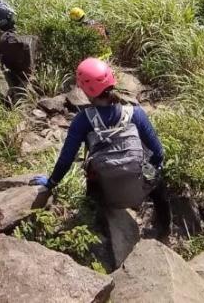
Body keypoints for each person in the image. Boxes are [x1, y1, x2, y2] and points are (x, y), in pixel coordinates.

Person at [31, 58, 169, 230]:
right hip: (138, 188)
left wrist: (50, 183)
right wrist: (148, 175)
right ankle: (164, 228)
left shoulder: (83, 120)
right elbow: (158, 153)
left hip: (104, 190)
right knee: (159, 181)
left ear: (85, 89)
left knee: (92, 175)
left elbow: (66, 159)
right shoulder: (136, 114)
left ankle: (96, 224)